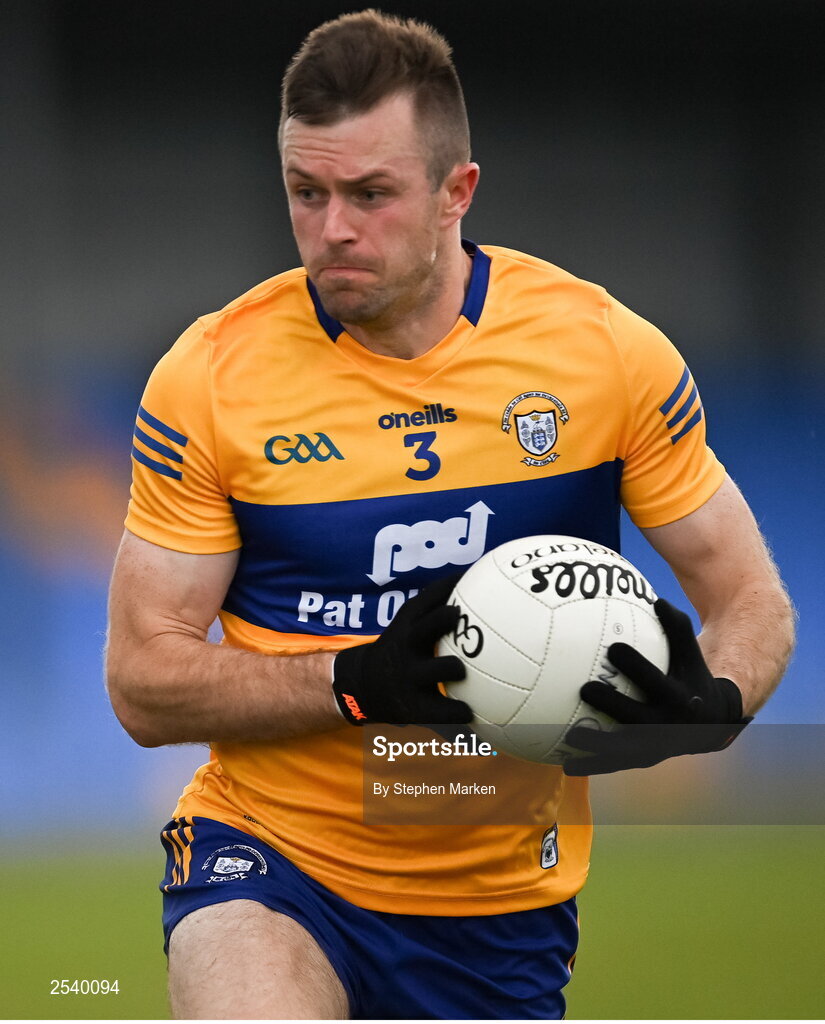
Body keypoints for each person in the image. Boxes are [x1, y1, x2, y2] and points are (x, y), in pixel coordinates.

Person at [105, 9, 795, 1020]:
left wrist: (711, 704)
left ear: (454, 193)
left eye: (371, 194)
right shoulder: (208, 378)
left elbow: (750, 597)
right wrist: (356, 681)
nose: (333, 228)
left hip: (499, 915)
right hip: (270, 860)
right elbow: (142, 681)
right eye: (307, 192)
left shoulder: (603, 355)